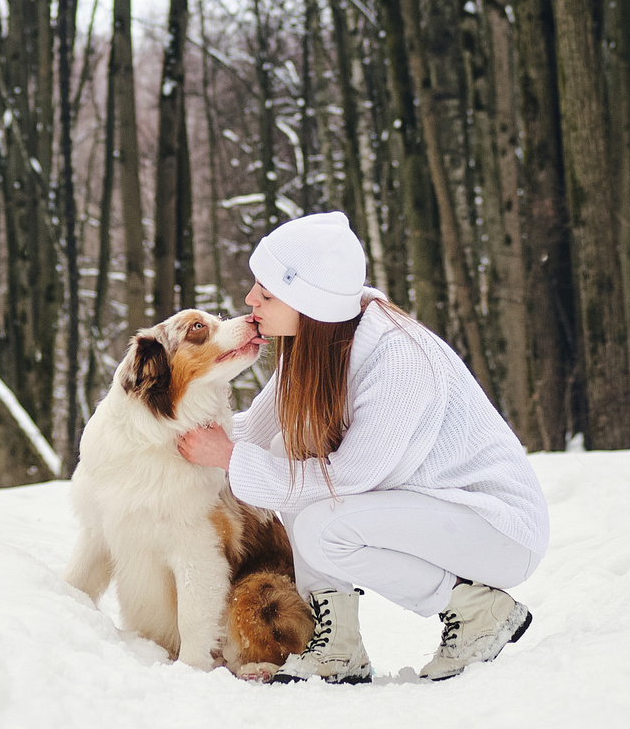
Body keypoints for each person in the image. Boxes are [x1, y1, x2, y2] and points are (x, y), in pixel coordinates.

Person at [177, 211, 548, 684]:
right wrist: (169, 437)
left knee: (326, 524)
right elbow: (250, 432)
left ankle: (478, 609)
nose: (250, 301)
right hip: (439, 513)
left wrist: (227, 456)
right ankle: (338, 647)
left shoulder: (399, 361)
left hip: (497, 528)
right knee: (284, 454)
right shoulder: (316, 347)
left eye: (266, 293)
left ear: (308, 303)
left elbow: (350, 477)